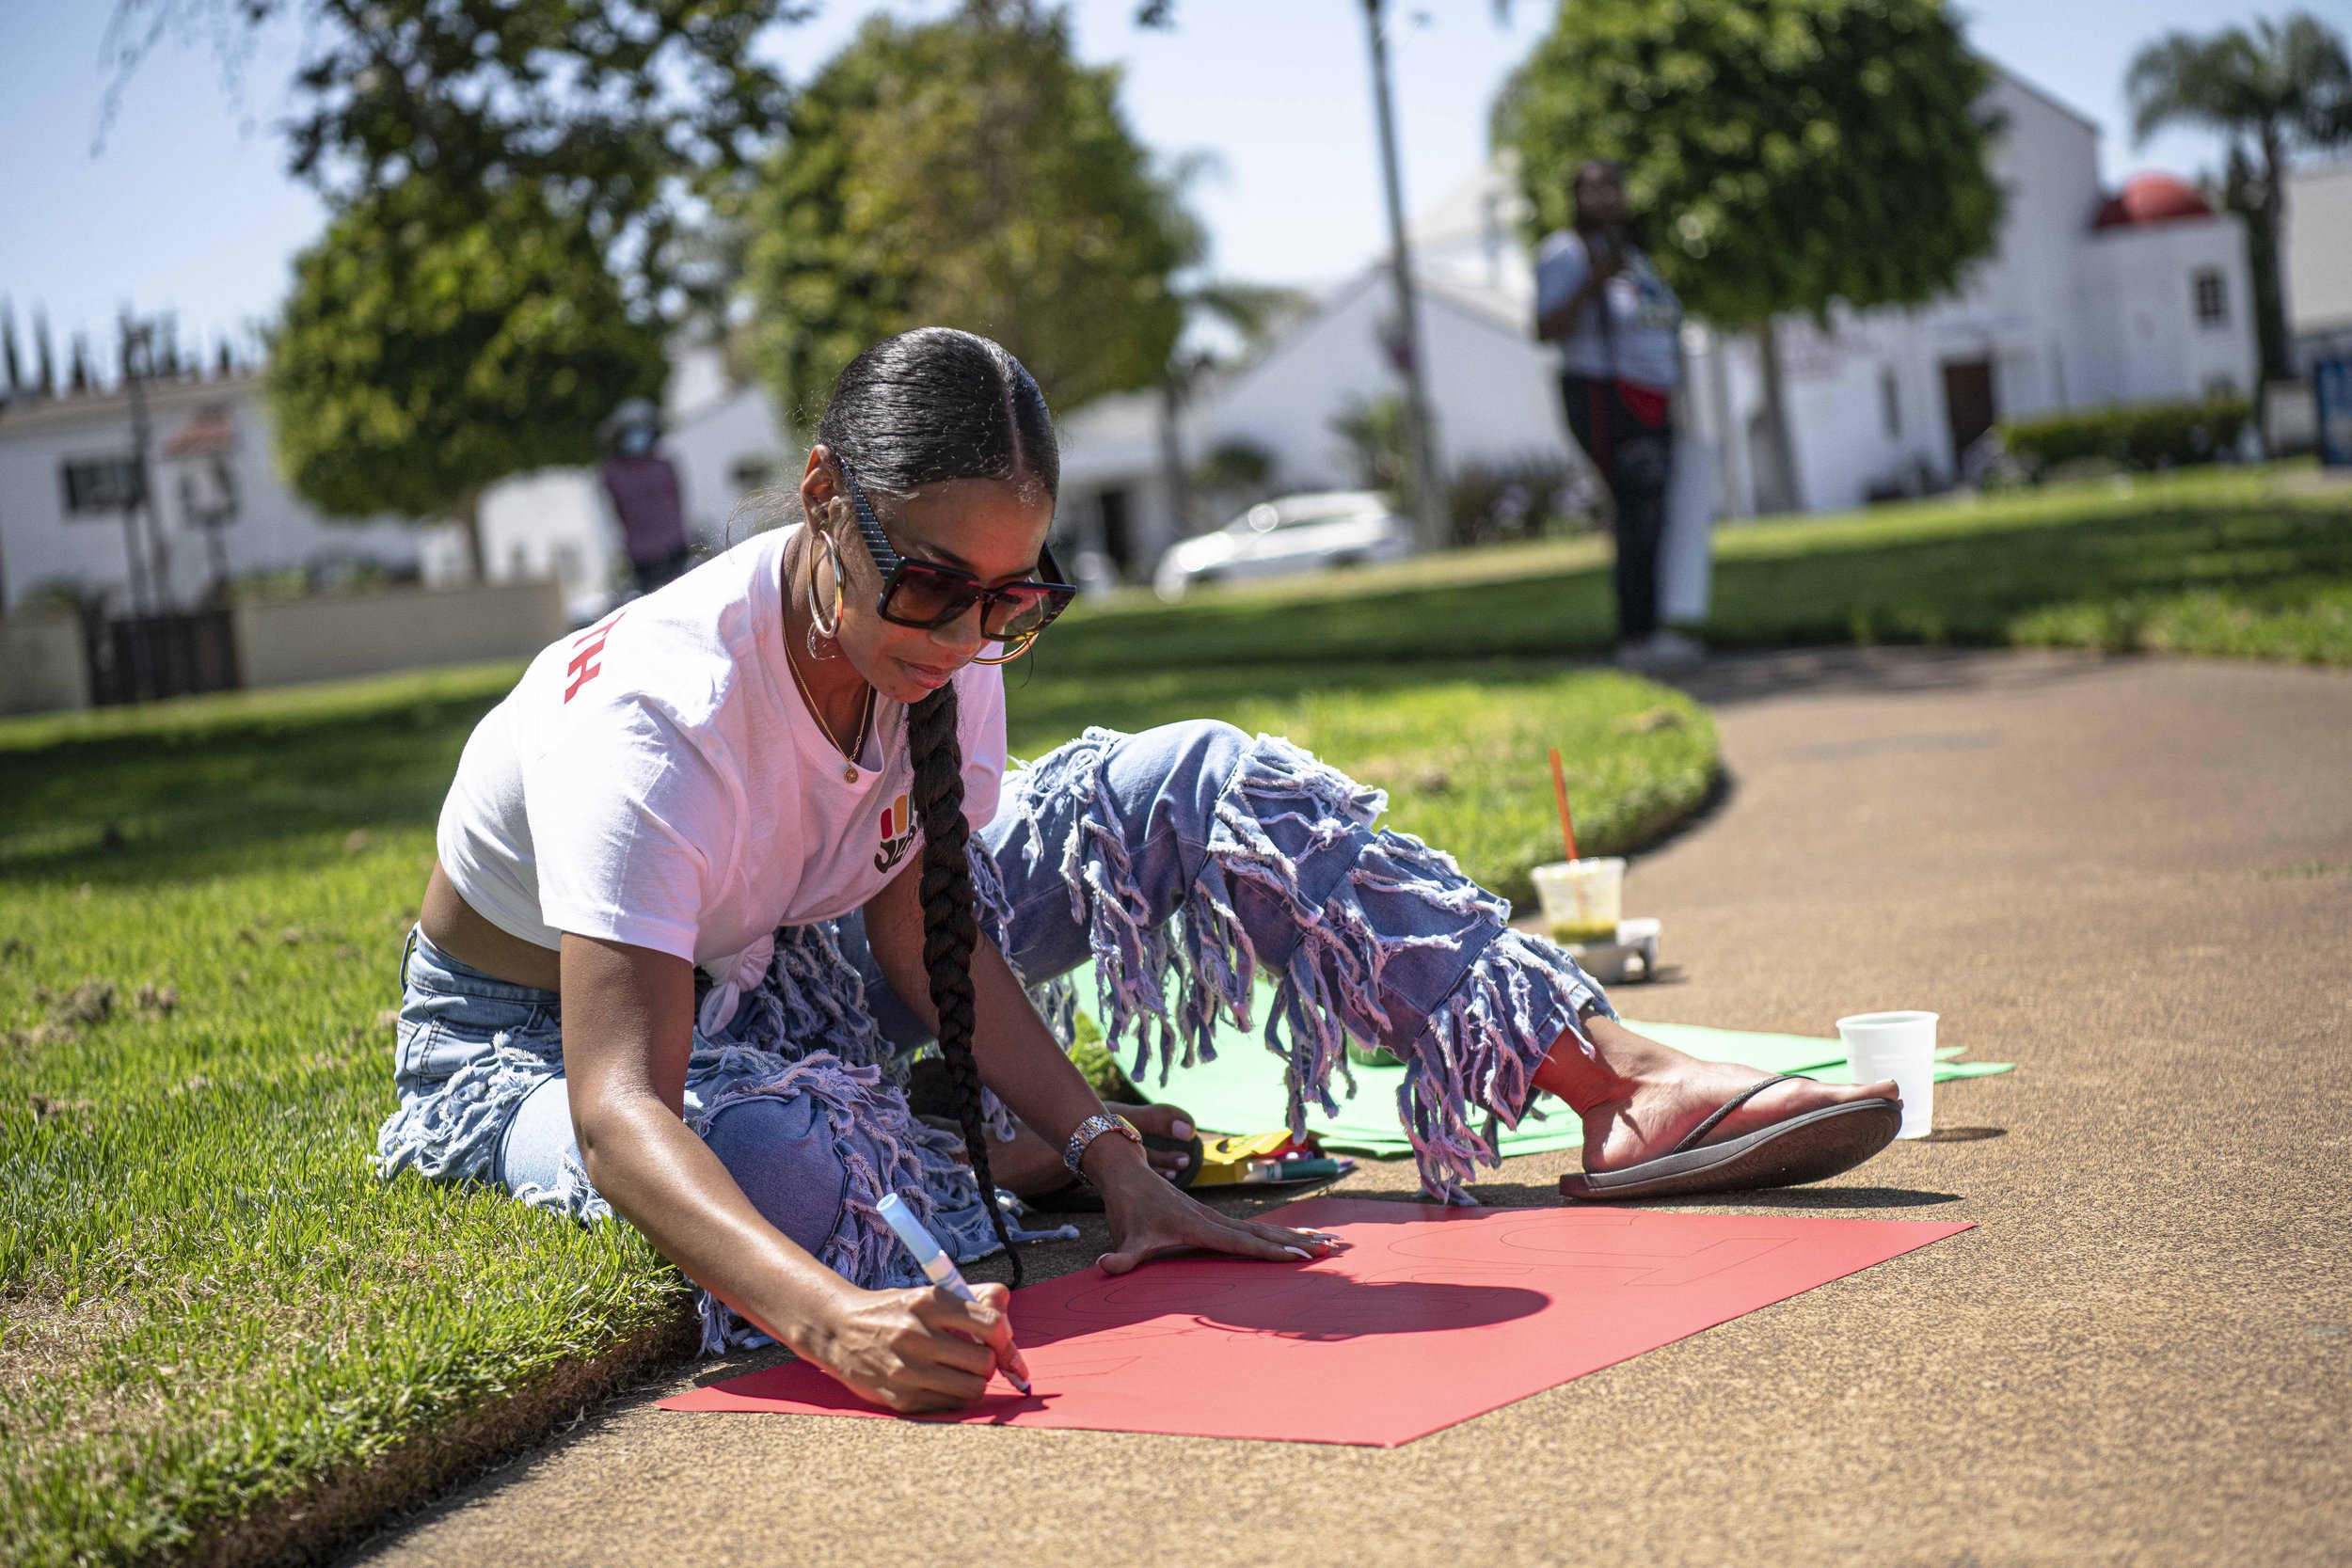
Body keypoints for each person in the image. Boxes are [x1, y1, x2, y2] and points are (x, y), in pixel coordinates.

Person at [376, 327, 1899, 1414]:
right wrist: (832, 1322)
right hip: (555, 1038)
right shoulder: (659, 721)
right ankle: (938, 1141)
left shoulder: (942, 633)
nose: (969, 640)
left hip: (817, 940)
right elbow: (621, 1104)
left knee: (1207, 784)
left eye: (1012, 602)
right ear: (822, 492)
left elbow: (928, 926)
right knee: (778, 1160)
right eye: (930, 588)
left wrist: (1113, 1160)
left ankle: (1609, 1078)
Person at [1535, 159, 1701, 670]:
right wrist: (1591, 283)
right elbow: (1544, 327)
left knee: (1653, 512)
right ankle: (1635, 639)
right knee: (1635, 510)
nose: (1605, 197)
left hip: (1650, 395)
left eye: (1613, 187)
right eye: (1592, 189)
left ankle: (1651, 628)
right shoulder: (1566, 252)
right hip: (1604, 392)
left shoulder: (1634, 255)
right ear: (1576, 196)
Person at [599, 399, 693, 594]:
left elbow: (678, 499)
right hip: (639, 554)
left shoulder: (664, 463)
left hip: (674, 544)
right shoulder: (612, 472)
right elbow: (617, 510)